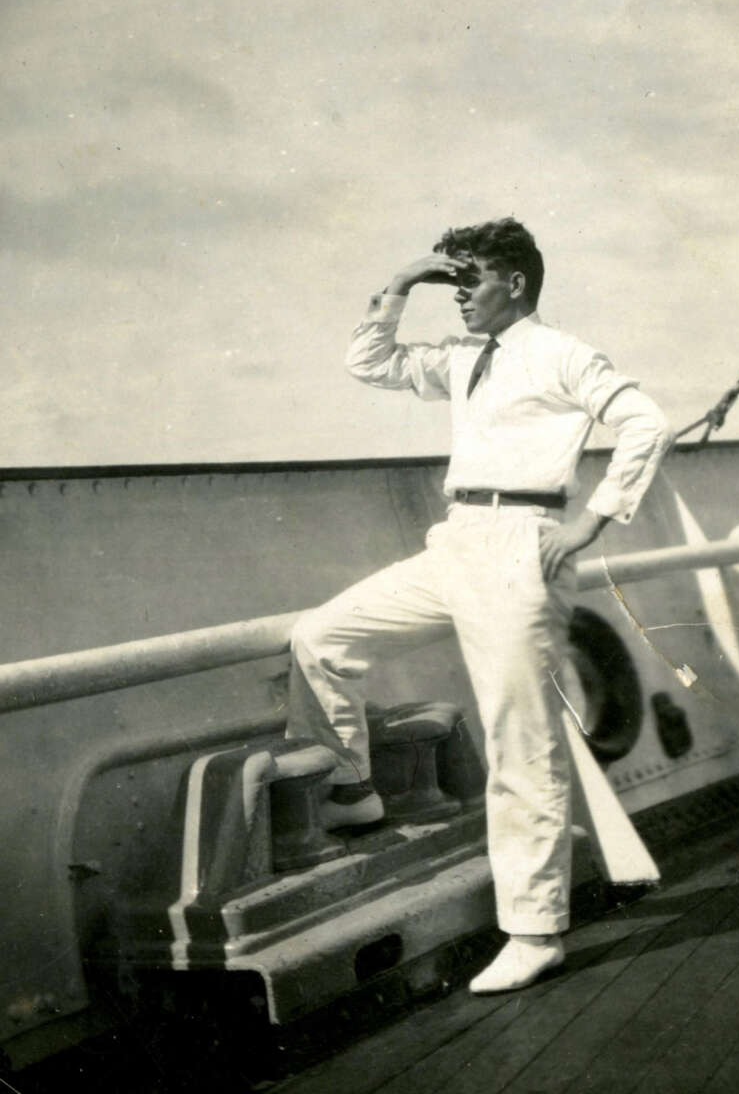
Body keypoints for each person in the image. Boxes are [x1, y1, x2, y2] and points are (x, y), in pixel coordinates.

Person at [287, 217, 671, 994]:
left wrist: (594, 519)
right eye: (452, 283)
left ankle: (535, 931)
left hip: (520, 542)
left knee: (518, 741)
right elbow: (370, 362)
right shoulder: (463, 360)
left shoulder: (559, 351)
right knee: (321, 636)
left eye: (470, 282)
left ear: (516, 283)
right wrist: (398, 286)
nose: (458, 297)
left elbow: (645, 421)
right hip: (456, 541)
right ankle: (355, 791)